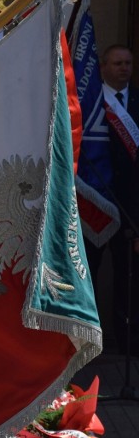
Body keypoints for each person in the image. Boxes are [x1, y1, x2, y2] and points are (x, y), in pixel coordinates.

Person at [100, 44, 139, 356]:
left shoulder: (137, 100)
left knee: (128, 276)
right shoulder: (90, 101)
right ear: (103, 66)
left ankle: (127, 343)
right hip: (96, 198)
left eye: (127, 63)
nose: (123, 68)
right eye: (117, 63)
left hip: (130, 204)